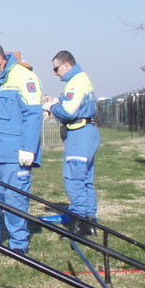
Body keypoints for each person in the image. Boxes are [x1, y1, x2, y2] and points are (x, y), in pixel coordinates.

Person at [0, 40, 43, 256]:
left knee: (15, 200)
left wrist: (28, 148)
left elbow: (33, 115)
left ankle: (18, 244)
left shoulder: (24, 77)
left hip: (15, 154)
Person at [44, 51, 100, 237]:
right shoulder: (82, 79)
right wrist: (57, 101)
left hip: (79, 134)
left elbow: (68, 112)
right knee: (86, 180)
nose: (55, 73)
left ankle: (78, 226)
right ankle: (90, 222)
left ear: (67, 65)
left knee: (74, 180)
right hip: (88, 132)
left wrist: (51, 107)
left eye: (56, 68)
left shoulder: (75, 82)